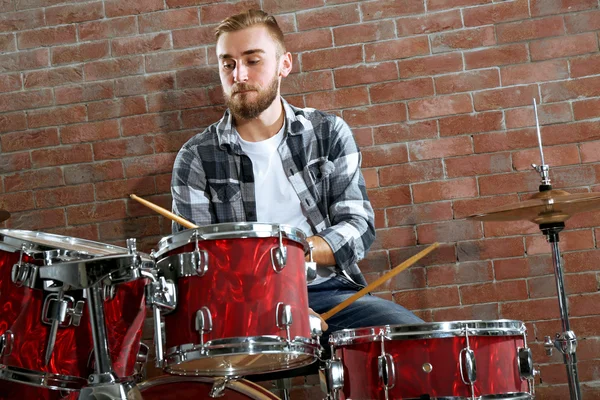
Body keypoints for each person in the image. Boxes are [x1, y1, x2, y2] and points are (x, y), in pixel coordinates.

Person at [170, 9, 423, 351]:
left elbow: (359, 225)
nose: (239, 74)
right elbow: (195, 265)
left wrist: (293, 253)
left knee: (414, 341)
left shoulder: (327, 133)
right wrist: (269, 300)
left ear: (284, 64)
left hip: (329, 293)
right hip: (241, 302)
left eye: (252, 60)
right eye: (227, 63)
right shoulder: (196, 157)